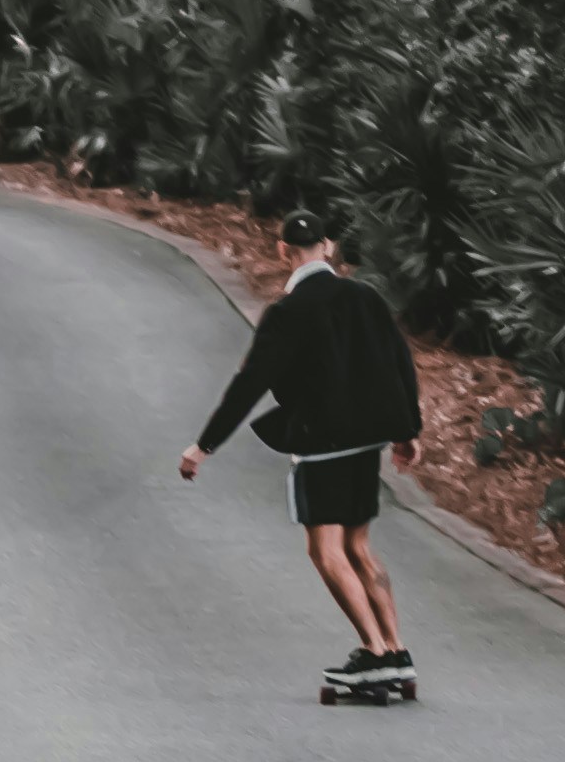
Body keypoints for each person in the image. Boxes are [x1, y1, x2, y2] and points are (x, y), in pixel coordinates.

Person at [178, 210, 426, 687]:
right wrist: (406, 430)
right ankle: (397, 650)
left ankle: (374, 655)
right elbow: (398, 362)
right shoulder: (364, 296)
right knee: (359, 545)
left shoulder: (288, 312)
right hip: (367, 439)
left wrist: (204, 446)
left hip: (322, 444)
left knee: (325, 550)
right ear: (328, 248)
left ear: (282, 251)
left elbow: (249, 384)